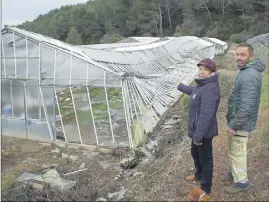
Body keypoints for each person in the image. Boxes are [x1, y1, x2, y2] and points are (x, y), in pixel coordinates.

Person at [176, 58, 221, 199]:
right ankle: (198, 175)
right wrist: (180, 86)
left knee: (206, 159)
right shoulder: (203, 85)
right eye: (200, 69)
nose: (201, 72)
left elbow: (206, 115)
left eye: (205, 70)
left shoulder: (210, 88)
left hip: (203, 133)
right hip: (198, 131)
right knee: (195, 153)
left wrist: (198, 136)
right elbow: (194, 91)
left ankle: (205, 187)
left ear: (211, 72)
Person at [223, 43, 265, 193]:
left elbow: (246, 107)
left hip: (241, 123)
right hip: (238, 120)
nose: (239, 58)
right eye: (237, 54)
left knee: (238, 151)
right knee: (234, 150)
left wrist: (233, 124)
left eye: (243, 55)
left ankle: (242, 182)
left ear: (251, 56)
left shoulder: (250, 75)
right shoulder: (246, 71)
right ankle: (235, 174)